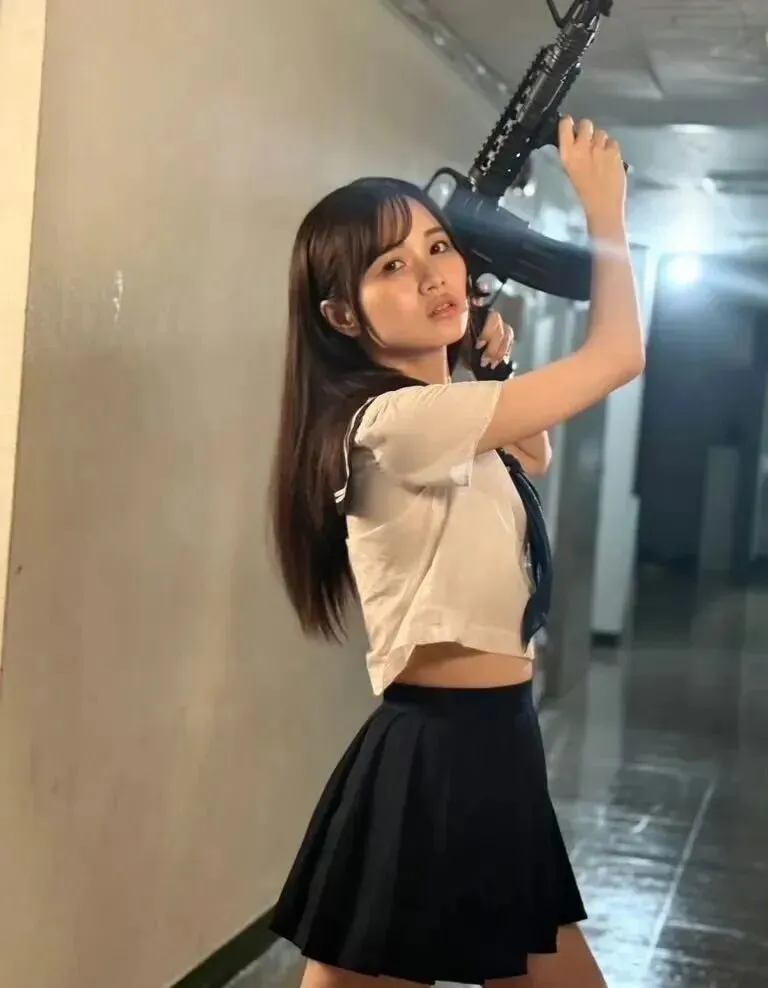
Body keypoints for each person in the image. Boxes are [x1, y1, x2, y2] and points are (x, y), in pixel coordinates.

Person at [268, 117, 643, 988]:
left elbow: (532, 455)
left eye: (436, 248)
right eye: (390, 267)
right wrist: (606, 215)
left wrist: (490, 372)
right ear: (341, 315)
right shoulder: (392, 425)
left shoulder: (438, 417)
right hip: (438, 753)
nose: (432, 274)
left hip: (493, 742)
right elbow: (619, 356)